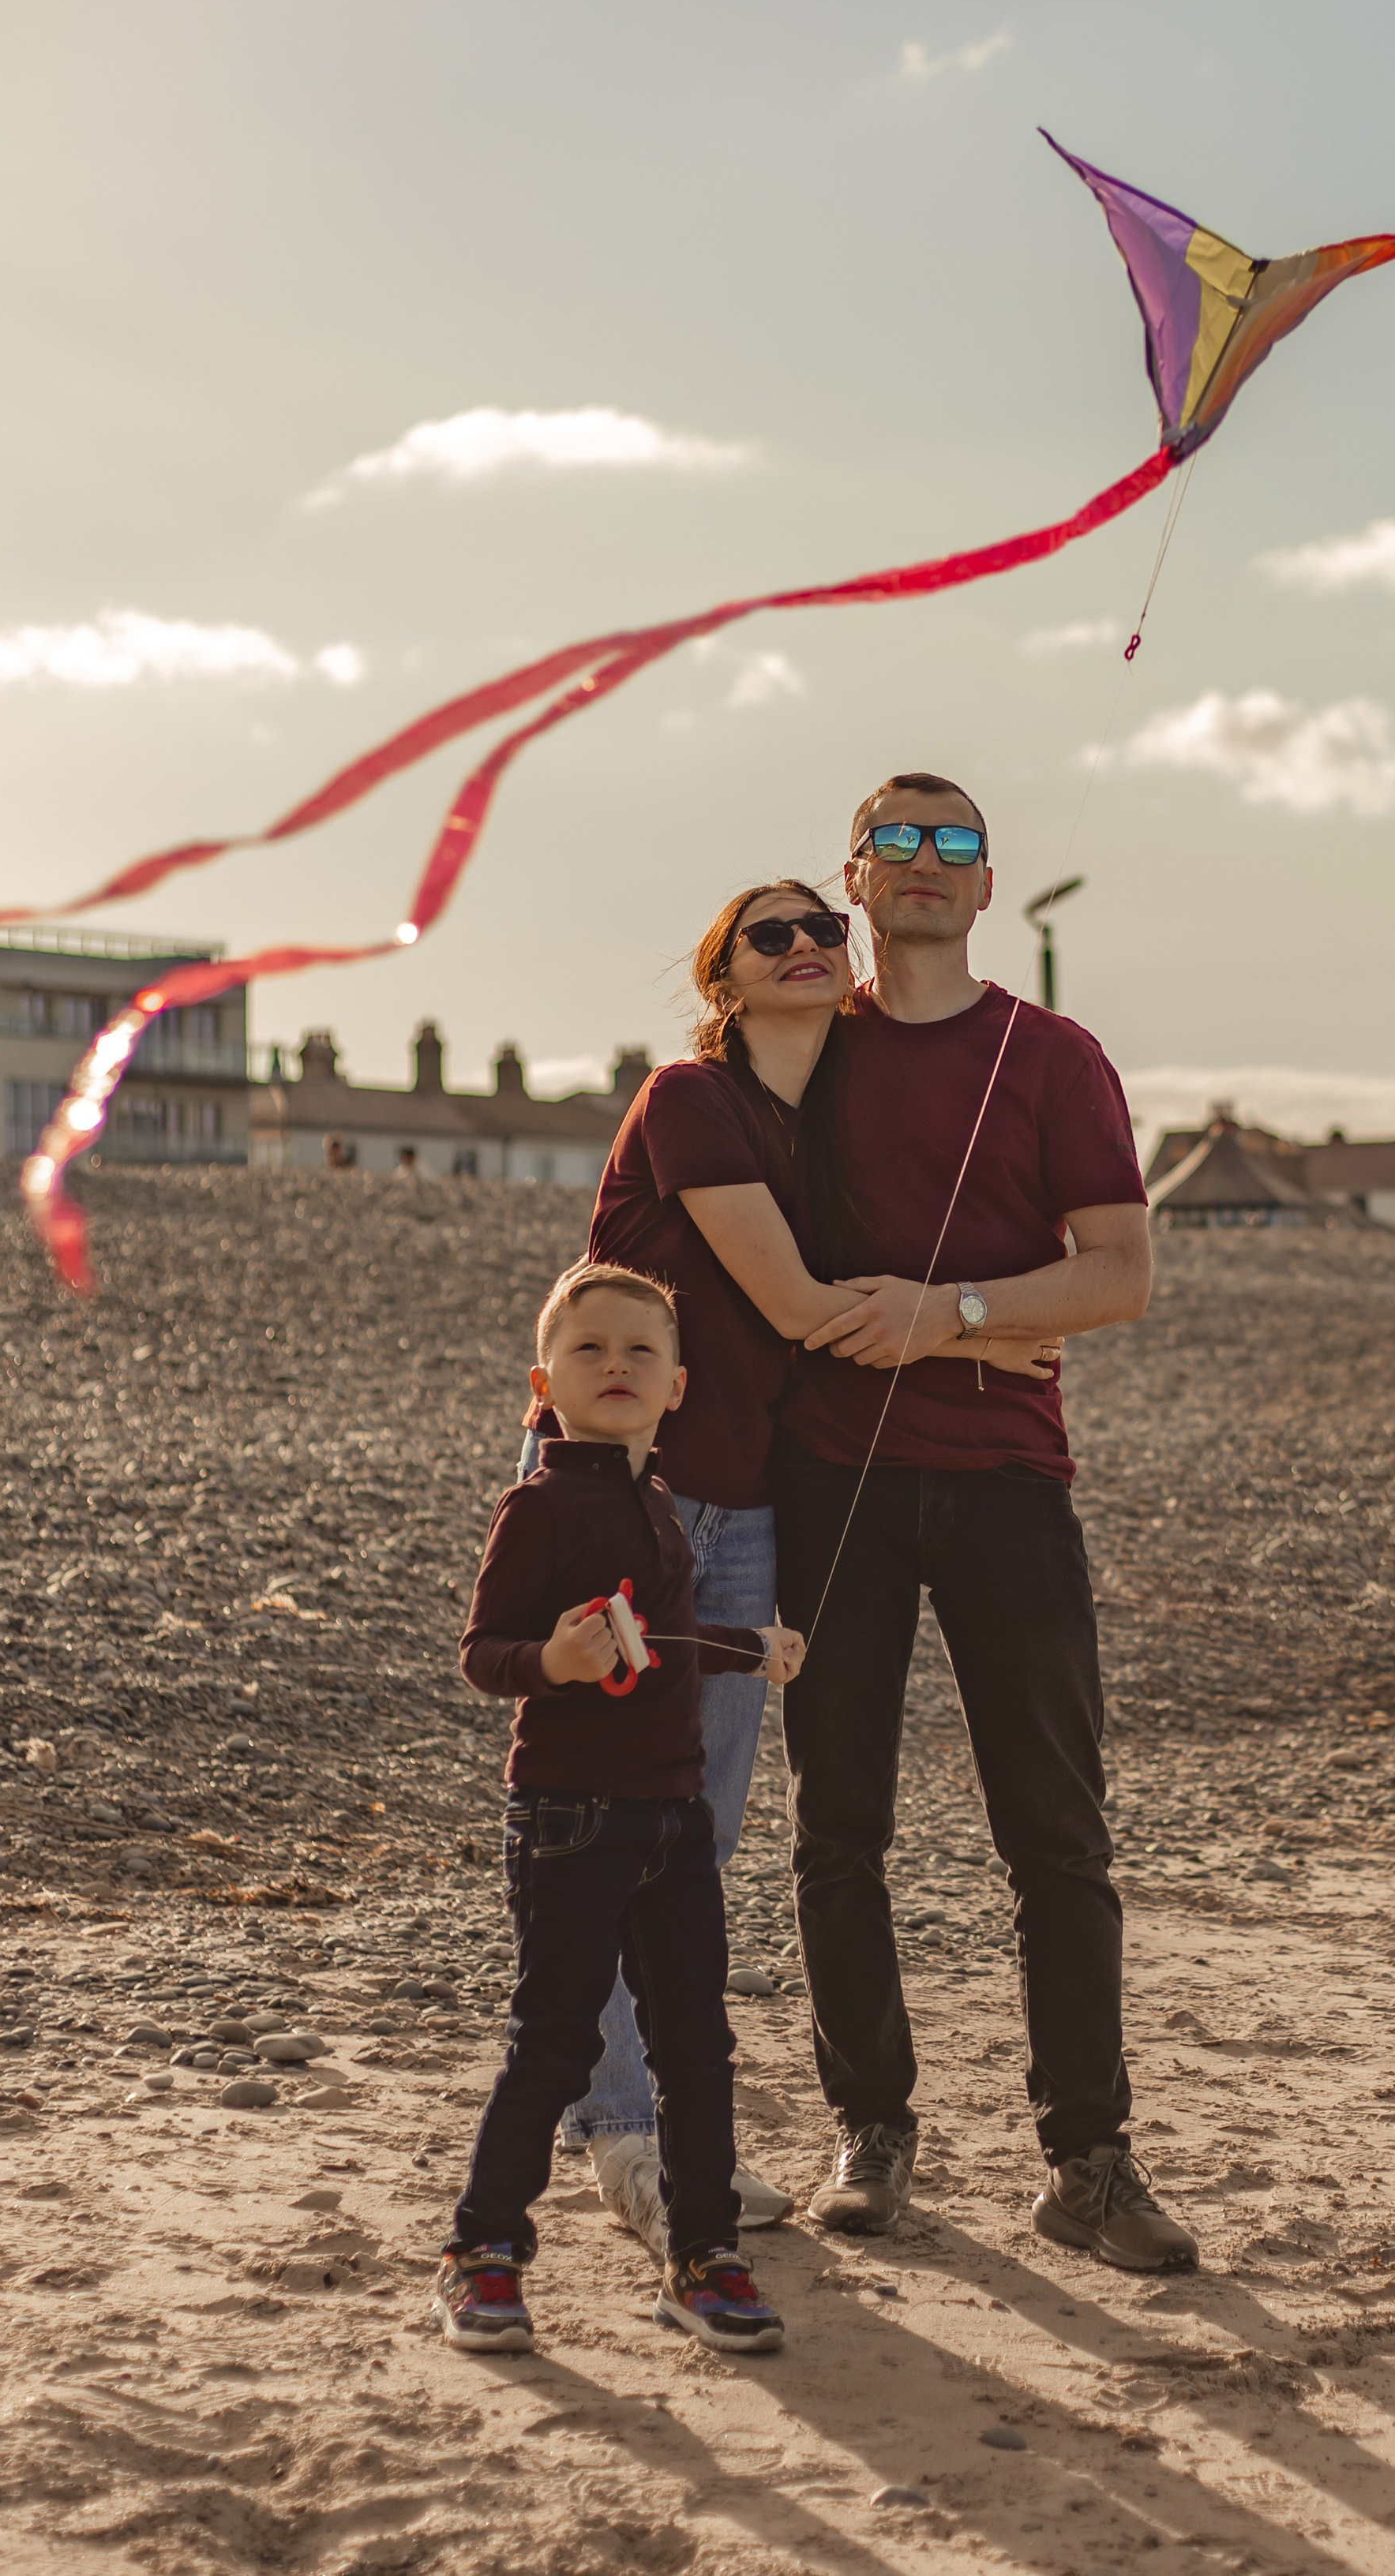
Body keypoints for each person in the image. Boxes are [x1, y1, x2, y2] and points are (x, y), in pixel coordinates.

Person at [528, 880, 1057, 2251]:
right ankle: (626, 2143)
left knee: (691, 1842)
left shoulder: (810, 1127)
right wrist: (987, 1339)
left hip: (743, 1510)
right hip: (622, 1502)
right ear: (725, 973)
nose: (811, 947)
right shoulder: (691, 1102)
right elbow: (798, 1306)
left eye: (826, 928)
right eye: (774, 934)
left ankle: (667, 2136)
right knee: (613, 1831)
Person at [772, 771, 1199, 2273]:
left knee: (1058, 1836)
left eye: (955, 843)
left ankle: (1088, 2159)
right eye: (898, 839)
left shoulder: (1056, 1057)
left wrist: (950, 1316)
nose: (927, 864)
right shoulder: (803, 1051)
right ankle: (872, 2132)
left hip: (1013, 1481)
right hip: (834, 1479)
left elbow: (1122, 1275)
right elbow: (718, 1224)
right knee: (841, 1827)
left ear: (988, 880)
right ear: (856, 874)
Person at [435, 1260, 805, 2358]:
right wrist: (550, 1655)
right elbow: (482, 1652)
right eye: (591, 1350)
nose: (618, 1366)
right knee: (552, 2041)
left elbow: (673, 1639)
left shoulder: (658, 1502)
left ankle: (702, 2254)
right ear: (543, 1383)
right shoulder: (538, 1504)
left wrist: (756, 1647)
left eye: (642, 1351)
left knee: (696, 2046)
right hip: (567, 1820)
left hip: (673, 1820)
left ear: (679, 1385)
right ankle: (483, 2249)